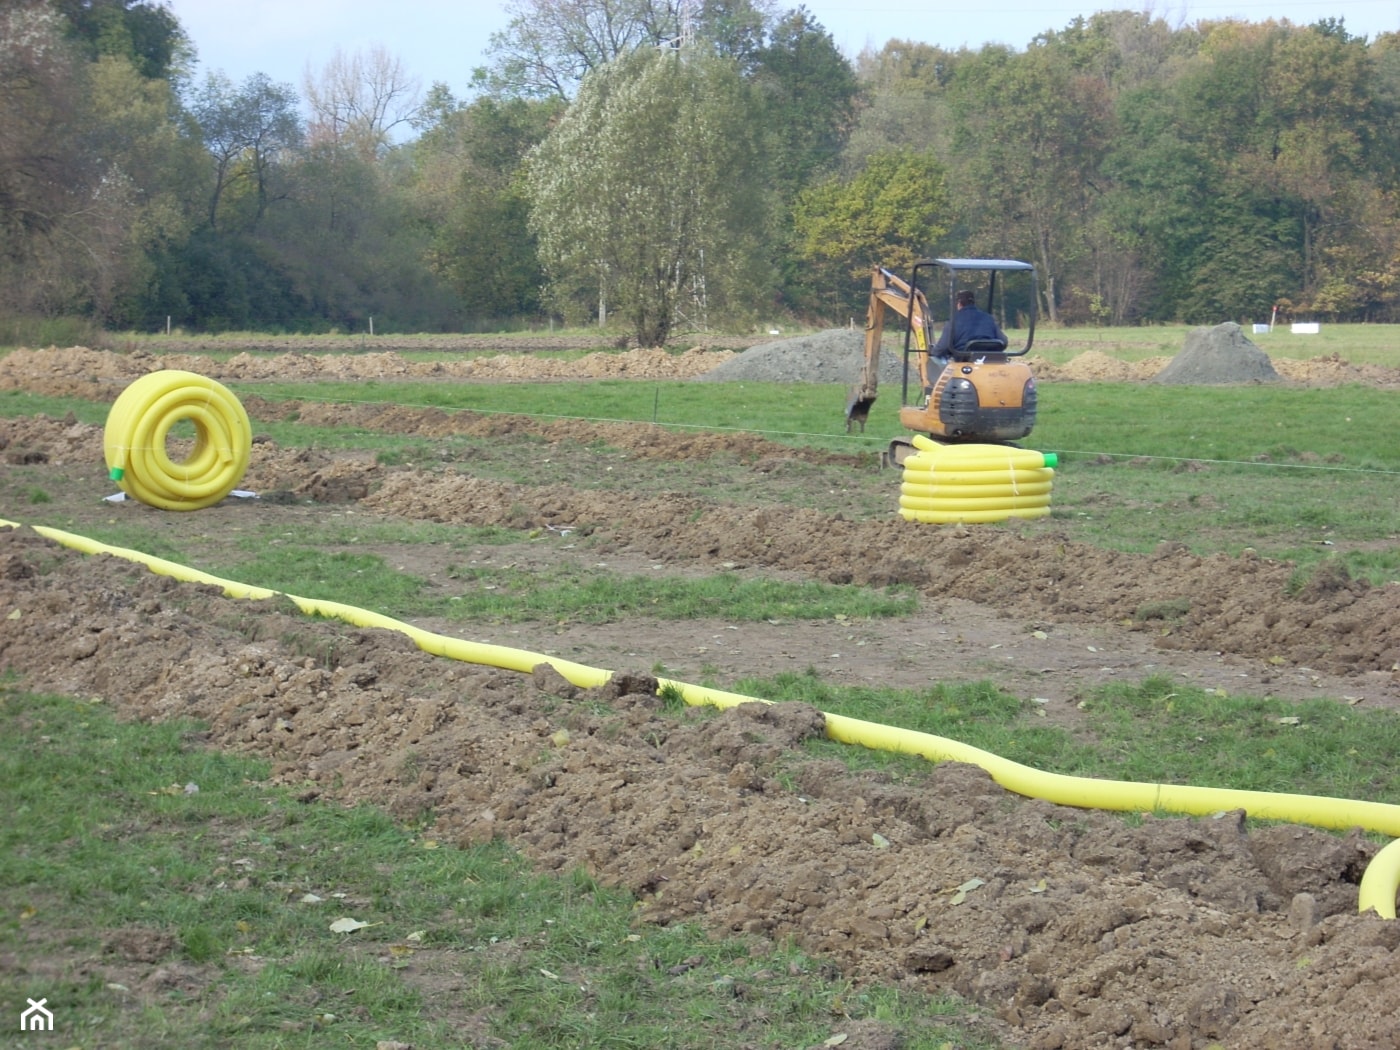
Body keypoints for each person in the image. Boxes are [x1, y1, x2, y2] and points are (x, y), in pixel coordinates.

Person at [930, 289, 1007, 363]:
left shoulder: (953, 321)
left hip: (965, 361)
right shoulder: (989, 318)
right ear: (973, 303)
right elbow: (1004, 341)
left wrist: (932, 352)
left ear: (959, 304)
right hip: (991, 361)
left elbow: (943, 347)